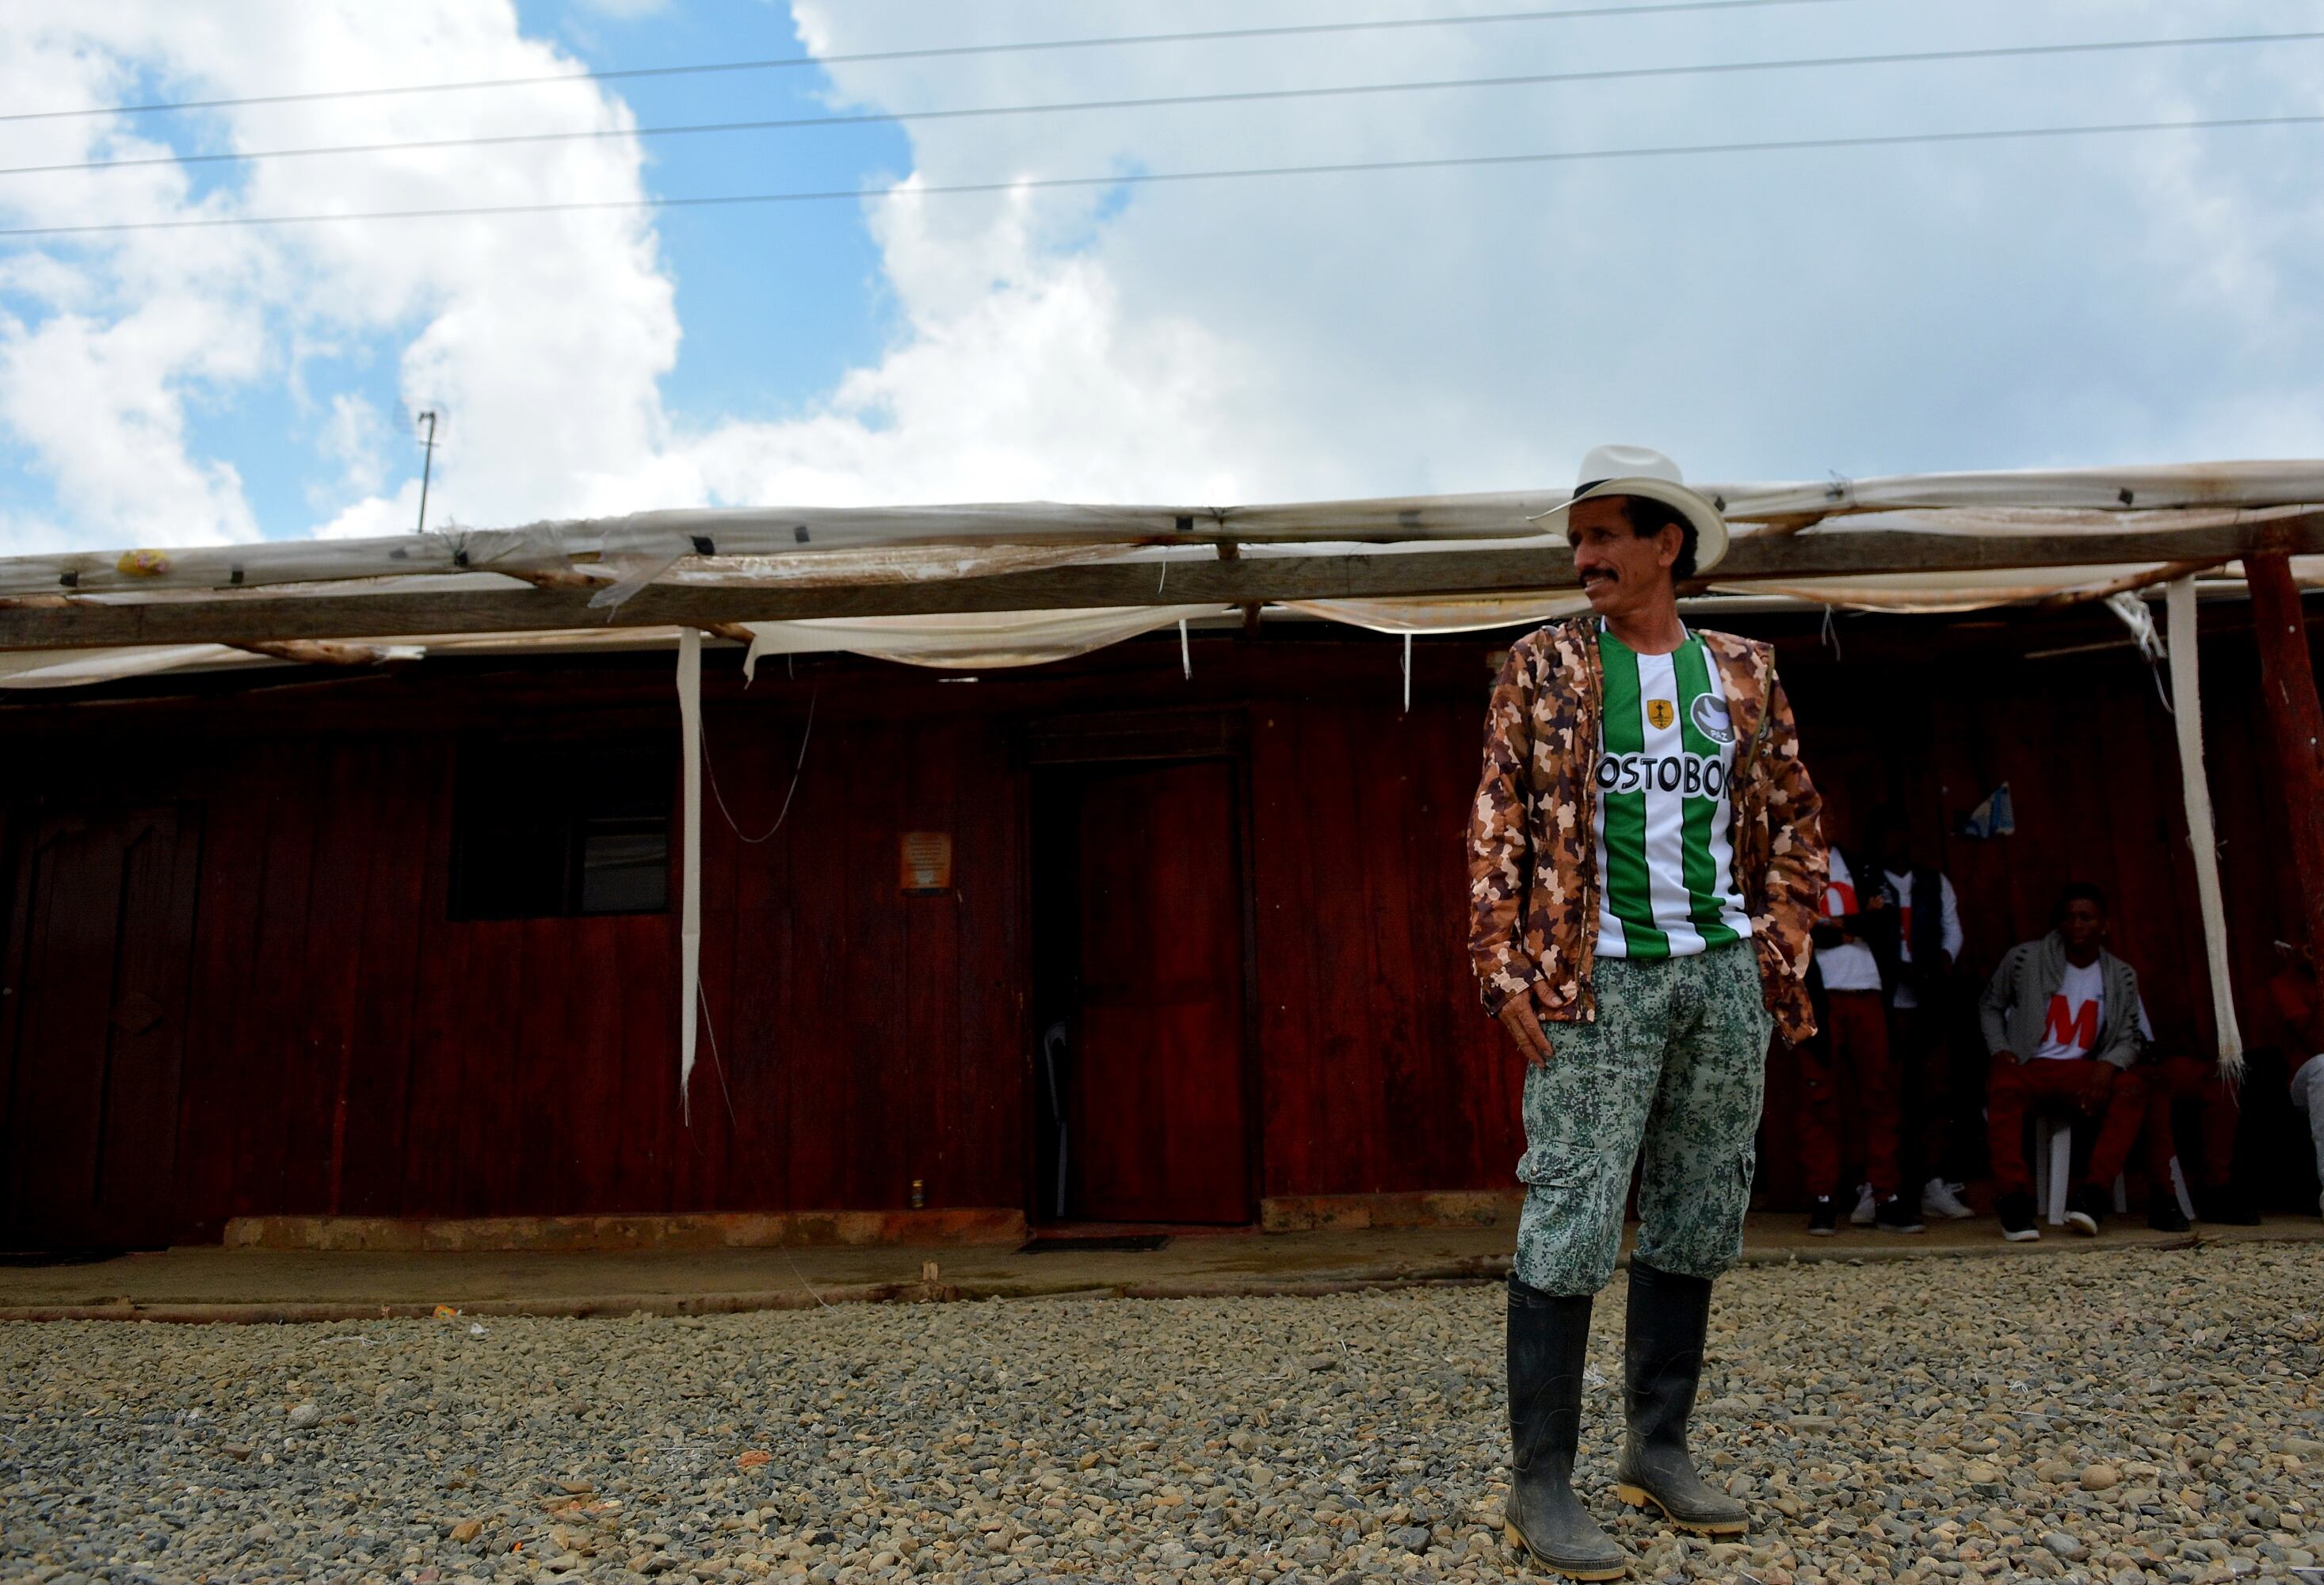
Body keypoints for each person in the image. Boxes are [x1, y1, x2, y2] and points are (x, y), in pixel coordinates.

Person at [1470, 445, 1825, 1578]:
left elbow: (1792, 815)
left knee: (1699, 1205)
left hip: (1721, 977)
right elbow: (1499, 821)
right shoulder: (1543, 667)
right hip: (1596, 977)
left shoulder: (1742, 669)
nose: (1583, 559)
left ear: (1665, 542)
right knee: (1571, 1210)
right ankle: (1540, 1485)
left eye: (1604, 536)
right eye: (1574, 539)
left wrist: (1783, 927)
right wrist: (1501, 965)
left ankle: (1657, 1449)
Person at [1979, 884, 2150, 1240]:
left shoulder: (2121, 975)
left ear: (2104, 926)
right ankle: (2013, 1199)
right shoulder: (2025, 959)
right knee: (2002, 1086)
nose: (2077, 925)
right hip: (2030, 1064)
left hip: (2082, 1069)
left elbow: (2129, 1036)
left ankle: (2092, 1197)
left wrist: (2107, 1066)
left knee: (2131, 1088)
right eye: (2069, 917)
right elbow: (1990, 1005)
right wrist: (1999, 1047)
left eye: (2086, 918)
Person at [1799, 835, 1918, 1233]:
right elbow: (1795, 927)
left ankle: (1886, 1197)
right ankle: (1824, 1200)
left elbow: (1886, 923)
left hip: (1868, 991)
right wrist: (1849, 927)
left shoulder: (1863, 866)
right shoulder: (1791, 865)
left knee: (1880, 1096)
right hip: (1819, 996)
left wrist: (1833, 927)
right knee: (1820, 1100)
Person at [1863, 806, 1973, 1224]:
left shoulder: (1933, 882)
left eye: (1901, 837)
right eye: (1887, 838)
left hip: (1928, 1002)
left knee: (1932, 1093)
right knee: (1882, 1095)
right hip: (1885, 1002)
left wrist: (1939, 964)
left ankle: (1932, 1183)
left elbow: (1952, 930)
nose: (1896, 846)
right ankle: (1875, 1188)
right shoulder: (1869, 883)